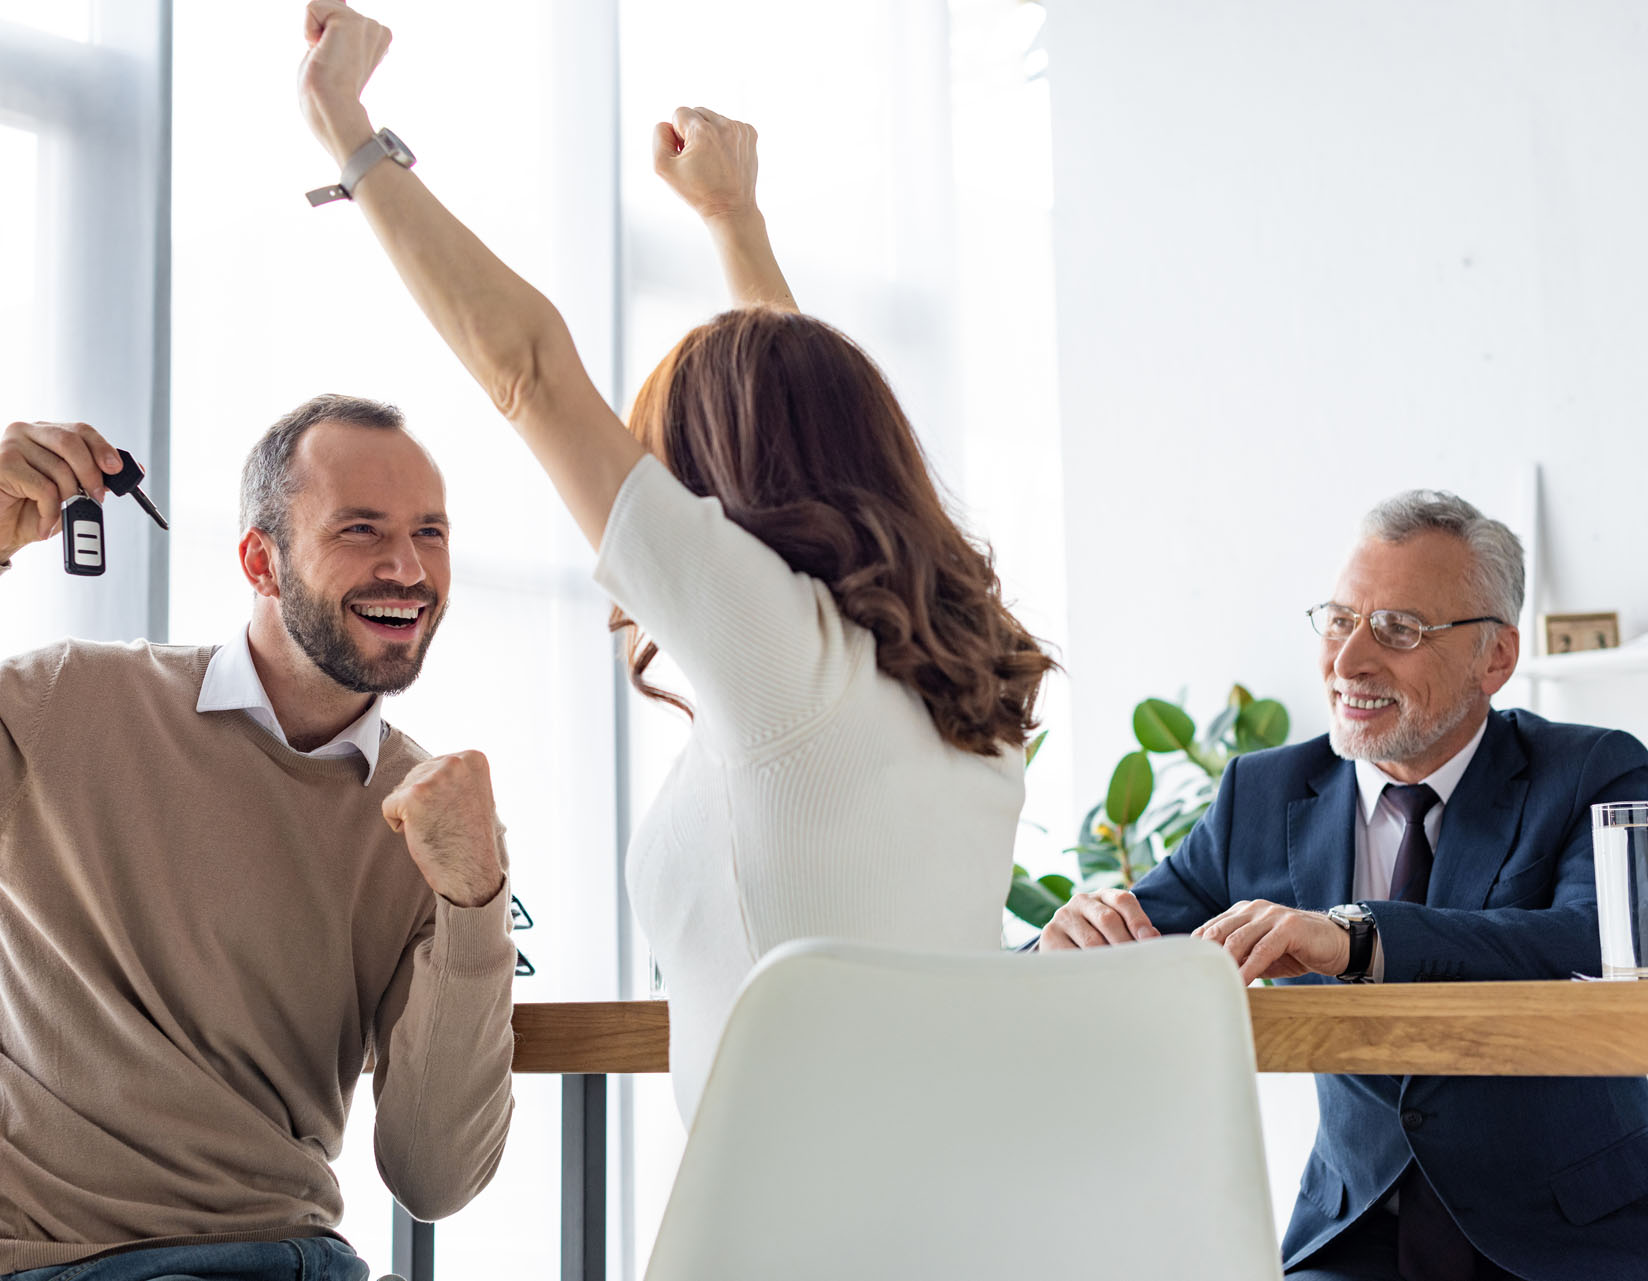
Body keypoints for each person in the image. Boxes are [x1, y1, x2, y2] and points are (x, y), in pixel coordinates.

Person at [296, 3, 1056, 1123]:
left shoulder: (783, 666)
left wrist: (348, 133)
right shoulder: (948, 698)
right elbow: (803, 405)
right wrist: (733, 221)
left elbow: (532, 373)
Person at [0, 397, 517, 1281]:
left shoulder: (435, 823)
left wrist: (473, 901)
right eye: (361, 529)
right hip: (83, 1263)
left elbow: (434, 1179)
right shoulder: (63, 706)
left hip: (308, 1260)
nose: (407, 568)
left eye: (430, 533)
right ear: (263, 560)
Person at [1040, 490, 1648, 1281]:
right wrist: (1071, 939)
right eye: (1337, 619)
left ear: (1495, 657)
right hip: (1356, 1240)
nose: (1348, 660)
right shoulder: (1259, 795)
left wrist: (1355, 938)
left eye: (1399, 629)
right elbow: (1126, 945)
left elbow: (1599, 945)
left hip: (1571, 1241)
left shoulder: (1594, 771)